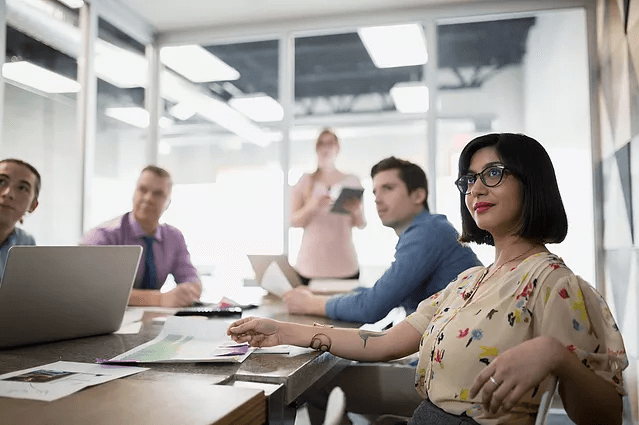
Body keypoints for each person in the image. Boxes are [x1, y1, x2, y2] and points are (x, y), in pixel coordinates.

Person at [229, 133, 628, 425]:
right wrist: (281, 330)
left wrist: (557, 356)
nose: (476, 189)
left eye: (493, 173)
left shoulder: (552, 281)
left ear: (532, 182)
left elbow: (608, 415)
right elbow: (384, 342)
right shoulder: (471, 280)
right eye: (469, 180)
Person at [284, 156, 480, 324]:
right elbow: (382, 292)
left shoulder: (428, 232)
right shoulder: (426, 230)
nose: (377, 199)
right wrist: (317, 296)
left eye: (388, 188)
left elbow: (371, 307)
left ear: (418, 195)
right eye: (375, 191)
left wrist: (310, 304)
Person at [82, 165, 201, 307]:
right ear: (134, 193)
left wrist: (188, 292)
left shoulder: (174, 238)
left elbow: (191, 279)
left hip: (152, 322)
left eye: (158, 194)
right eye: (143, 190)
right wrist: (160, 299)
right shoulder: (103, 236)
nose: (148, 198)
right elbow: (93, 289)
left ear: (168, 203)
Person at [290, 129, 366, 285]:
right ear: (316, 148)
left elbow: (361, 223)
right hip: (310, 267)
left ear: (337, 147)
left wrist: (355, 210)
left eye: (330, 143)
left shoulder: (352, 181)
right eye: (321, 143)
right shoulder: (305, 181)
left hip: (345, 266)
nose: (326, 148)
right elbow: (293, 221)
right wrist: (312, 206)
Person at [0, 159, 40, 280]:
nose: (8, 193)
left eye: (22, 188)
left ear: (33, 206)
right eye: (1, 181)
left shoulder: (25, 242)